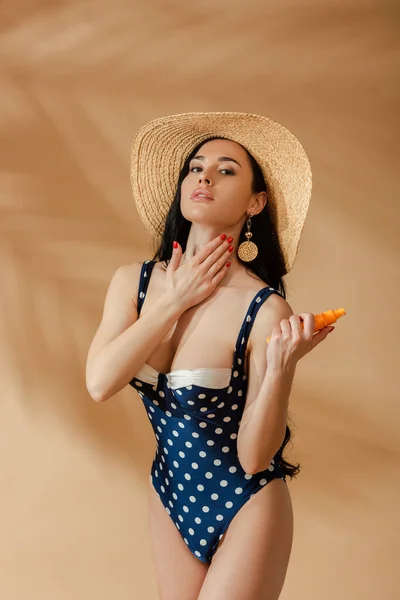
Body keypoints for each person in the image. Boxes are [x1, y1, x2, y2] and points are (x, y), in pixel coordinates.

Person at [86, 112, 334, 600]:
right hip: (170, 493)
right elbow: (99, 383)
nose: (204, 176)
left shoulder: (263, 307)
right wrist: (173, 301)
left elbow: (253, 457)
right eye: (195, 167)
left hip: (247, 502)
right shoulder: (132, 284)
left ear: (255, 202)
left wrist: (282, 366)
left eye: (227, 170)